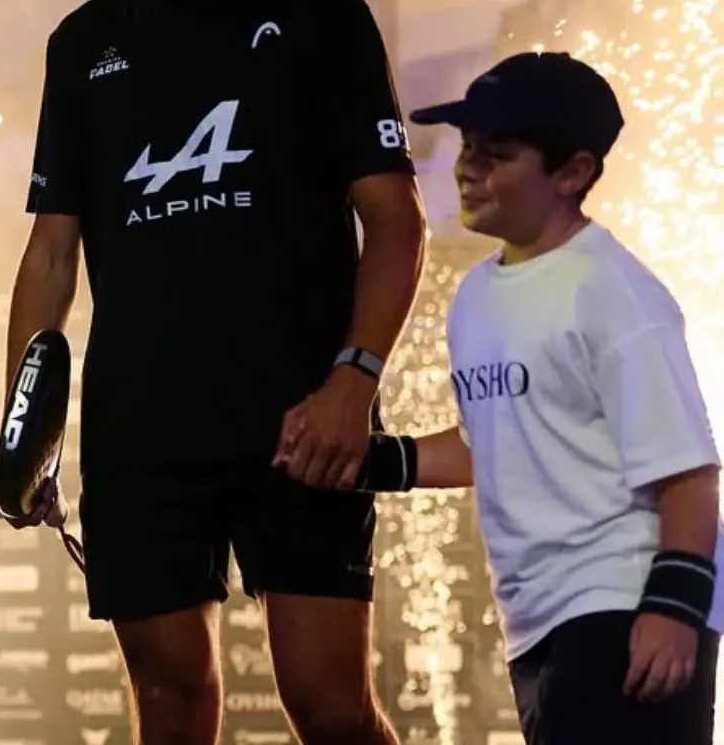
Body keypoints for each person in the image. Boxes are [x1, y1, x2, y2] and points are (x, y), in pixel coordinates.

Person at [5, 0, 425, 745]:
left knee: (330, 708)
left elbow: (396, 221)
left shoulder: (321, 13)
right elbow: (51, 252)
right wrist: (27, 426)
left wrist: (354, 381)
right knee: (170, 709)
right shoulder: (82, 45)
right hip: (140, 427)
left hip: (302, 414)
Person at [283, 51, 723, 744]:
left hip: (621, 605)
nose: (467, 169)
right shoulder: (477, 296)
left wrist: (673, 610)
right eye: (467, 148)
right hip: (536, 623)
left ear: (572, 173)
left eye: (497, 155)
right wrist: (368, 462)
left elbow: (690, 473)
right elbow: (490, 443)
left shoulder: (612, 292)